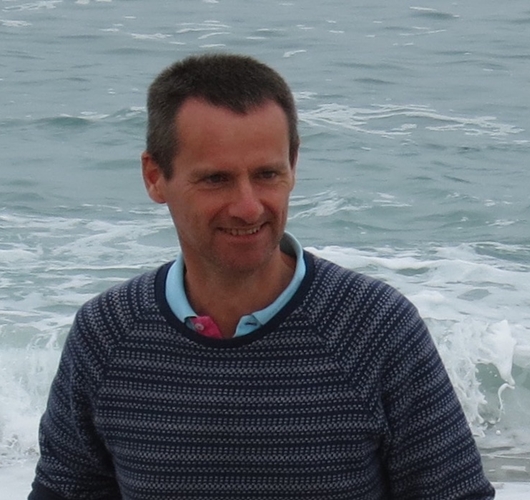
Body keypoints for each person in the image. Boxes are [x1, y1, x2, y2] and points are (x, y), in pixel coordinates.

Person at [28, 53, 495, 499]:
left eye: (267, 174)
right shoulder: (108, 333)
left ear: (294, 164)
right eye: (216, 179)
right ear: (155, 176)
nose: (249, 206)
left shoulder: (374, 327)